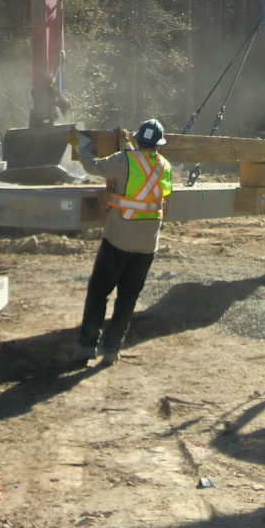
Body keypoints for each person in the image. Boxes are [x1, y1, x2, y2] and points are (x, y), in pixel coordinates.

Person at [70, 118, 174, 368]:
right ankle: (111, 350)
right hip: (147, 246)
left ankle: (87, 347)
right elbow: (155, 185)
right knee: (127, 300)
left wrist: (81, 145)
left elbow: (93, 167)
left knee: (98, 293)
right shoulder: (165, 166)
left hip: (117, 240)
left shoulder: (122, 160)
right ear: (158, 144)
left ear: (138, 140)